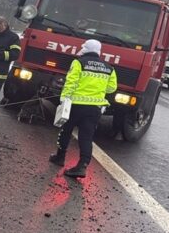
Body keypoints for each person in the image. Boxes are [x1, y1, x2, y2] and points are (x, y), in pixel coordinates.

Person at [49, 39, 118, 178]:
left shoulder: (79, 62)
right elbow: (112, 88)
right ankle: (82, 166)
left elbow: (71, 82)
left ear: (86, 48)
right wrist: (97, 88)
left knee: (66, 131)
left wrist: (64, 98)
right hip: (95, 108)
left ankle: (60, 157)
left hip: (76, 105)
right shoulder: (109, 68)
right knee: (86, 137)